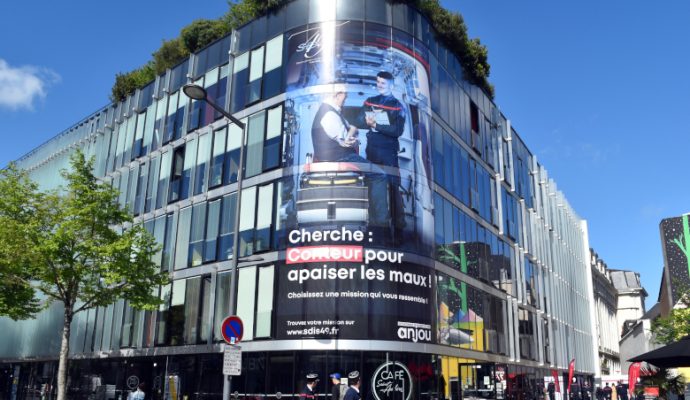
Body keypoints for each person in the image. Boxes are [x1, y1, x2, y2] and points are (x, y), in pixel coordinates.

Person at [311, 89, 389, 226]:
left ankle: (372, 216)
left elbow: (350, 130)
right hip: (341, 158)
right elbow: (348, 139)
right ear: (335, 95)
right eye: (344, 94)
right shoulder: (329, 114)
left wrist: (355, 128)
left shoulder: (332, 112)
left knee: (372, 174)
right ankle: (381, 225)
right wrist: (354, 134)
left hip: (339, 156)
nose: (346, 96)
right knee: (380, 175)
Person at [358, 71, 407, 238]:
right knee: (373, 189)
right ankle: (377, 229)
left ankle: (399, 231)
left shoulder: (399, 105)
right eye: (378, 82)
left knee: (394, 190)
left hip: (389, 153)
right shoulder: (369, 101)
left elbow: (397, 131)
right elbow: (359, 119)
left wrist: (376, 124)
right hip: (372, 150)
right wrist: (365, 121)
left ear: (391, 85)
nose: (379, 85)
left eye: (383, 83)